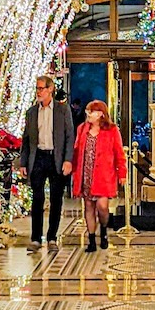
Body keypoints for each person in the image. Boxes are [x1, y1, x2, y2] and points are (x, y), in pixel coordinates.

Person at [18, 75, 74, 251]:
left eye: (41, 88)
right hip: (38, 158)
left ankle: (52, 238)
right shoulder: (31, 112)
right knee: (37, 198)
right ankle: (36, 238)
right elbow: (26, 140)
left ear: (50, 89)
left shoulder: (62, 110)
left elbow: (69, 136)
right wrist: (23, 163)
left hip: (56, 158)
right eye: (37, 88)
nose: (38, 92)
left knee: (56, 199)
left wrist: (68, 160)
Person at [72, 99, 127, 252]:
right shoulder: (82, 129)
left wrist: (122, 173)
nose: (88, 114)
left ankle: (103, 229)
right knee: (89, 206)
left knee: (102, 206)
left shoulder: (112, 130)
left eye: (92, 112)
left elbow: (119, 153)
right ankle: (91, 240)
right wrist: (73, 168)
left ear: (101, 114)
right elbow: (76, 150)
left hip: (103, 175)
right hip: (86, 174)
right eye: (88, 111)